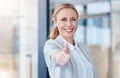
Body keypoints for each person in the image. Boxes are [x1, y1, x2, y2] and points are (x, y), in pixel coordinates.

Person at [44, 3, 97, 78]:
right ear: (56, 22)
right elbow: (53, 54)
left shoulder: (84, 48)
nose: (69, 24)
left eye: (73, 19)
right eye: (63, 20)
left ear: (77, 22)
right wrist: (58, 57)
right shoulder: (51, 44)